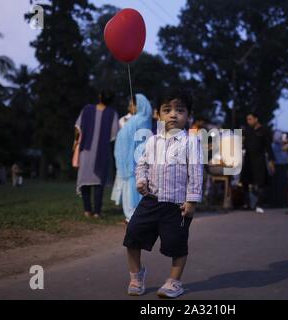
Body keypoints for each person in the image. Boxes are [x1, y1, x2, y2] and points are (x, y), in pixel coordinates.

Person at [123, 88, 203, 299]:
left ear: (188, 115)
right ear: (158, 114)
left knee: (177, 245)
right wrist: (141, 181)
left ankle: (174, 282)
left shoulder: (191, 142)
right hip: (151, 201)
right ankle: (136, 274)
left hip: (177, 206)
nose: (173, 114)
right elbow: (142, 166)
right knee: (132, 236)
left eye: (180, 110)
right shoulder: (152, 141)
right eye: (167, 110)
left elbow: (195, 172)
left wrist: (192, 201)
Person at [74, 90, 119, 219]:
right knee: (99, 182)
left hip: (86, 151)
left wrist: (75, 143)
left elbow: (78, 128)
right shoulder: (112, 113)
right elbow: (114, 134)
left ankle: (87, 210)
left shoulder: (87, 109)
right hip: (102, 151)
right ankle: (97, 212)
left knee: (84, 181)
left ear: (100, 96)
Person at [111, 94, 152, 223]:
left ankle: (134, 215)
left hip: (134, 161)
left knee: (134, 189)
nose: (130, 106)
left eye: (132, 104)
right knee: (131, 189)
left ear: (139, 104)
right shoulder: (137, 119)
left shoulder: (141, 119)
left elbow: (140, 141)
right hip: (129, 161)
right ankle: (132, 215)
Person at [240, 112, 275, 213]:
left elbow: (268, 146)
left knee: (261, 183)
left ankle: (259, 204)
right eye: (247, 119)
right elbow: (243, 143)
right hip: (248, 159)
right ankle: (247, 203)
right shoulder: (247, 130)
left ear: (256, 119)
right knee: (244, 181)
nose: (248, 121)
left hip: (259, 159)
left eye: (250, 119)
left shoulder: (264, 130)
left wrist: (272, 160)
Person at [269, 130, 288, 208]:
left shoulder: (282, 145)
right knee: (278, 186)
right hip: (277, 166)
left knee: (282, 186)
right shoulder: (274, 145)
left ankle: (283, 202)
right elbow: (271, 157)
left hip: (282, 166)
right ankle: (278, 202)